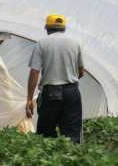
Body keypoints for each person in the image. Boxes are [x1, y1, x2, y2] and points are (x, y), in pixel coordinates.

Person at [26, 14, 85, 143]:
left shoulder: (41, 44)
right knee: (72, 135)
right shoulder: (75, 44)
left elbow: (34, 72)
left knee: (46, 135)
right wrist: (70, 79)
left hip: (50, 93)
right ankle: (71, 160)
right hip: (72, 92)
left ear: (47, 28)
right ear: (63, 28)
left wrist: (29, 99)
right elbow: (81, 71)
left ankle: (49, 161)